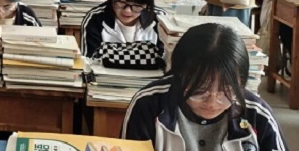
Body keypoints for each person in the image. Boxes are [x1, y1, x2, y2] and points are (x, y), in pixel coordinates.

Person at [122, 23, 286, 151]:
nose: (212, 102)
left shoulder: (257, 115)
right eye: (199, 90)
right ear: (179, 77)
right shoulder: (149, 104)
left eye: (226, 91)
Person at [81, 0, 164, 60]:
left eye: (137, 5)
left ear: (147, 4)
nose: (127, 10)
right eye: (121, 1)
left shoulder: (160, 20)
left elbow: (166, 61)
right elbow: (89, 62)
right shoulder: (95, 19)